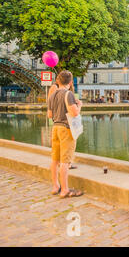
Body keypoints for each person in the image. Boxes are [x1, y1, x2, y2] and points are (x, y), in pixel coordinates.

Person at [47, 70, 83, 198]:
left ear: (58, 81)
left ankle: (55, 186)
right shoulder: (69, 94)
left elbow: (49, 115)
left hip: (55, 128)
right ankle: (65, 190)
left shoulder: (52, 95)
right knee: (65, 160)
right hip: (66, 129)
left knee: (55, 159)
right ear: (70, 81)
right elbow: (74, 113)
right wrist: (80, 106)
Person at [47, 77, 77, 170]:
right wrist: (78, 106)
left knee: (55, 157)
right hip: (64, 123)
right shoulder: (56, 89)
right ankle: (67, 165)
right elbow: (74, 113)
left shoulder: (57, 90)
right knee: (65, 151)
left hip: (56, 123)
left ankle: (56, 184)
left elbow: (49, 111)